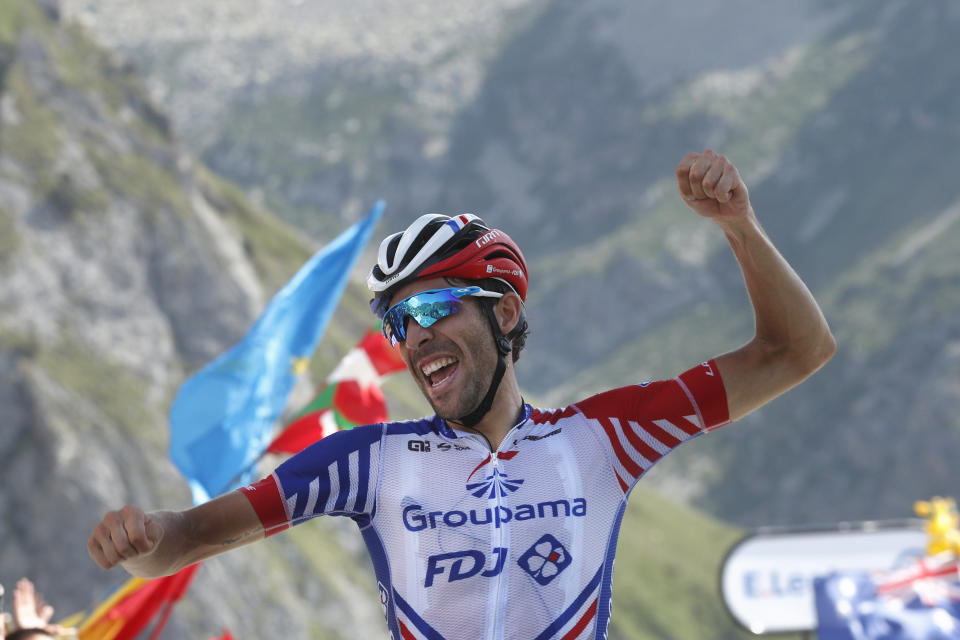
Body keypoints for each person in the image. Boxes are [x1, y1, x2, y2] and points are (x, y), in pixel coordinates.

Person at [88, 150, 835, 639]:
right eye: (397, 324)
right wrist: (144, 538)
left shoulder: (605, 438)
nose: (413, 341)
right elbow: (187, 540)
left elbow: (797, 351)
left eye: (433, 310)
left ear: (503, 312)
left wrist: (739, 226)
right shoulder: (369, 462)